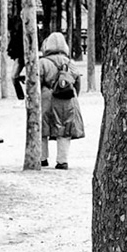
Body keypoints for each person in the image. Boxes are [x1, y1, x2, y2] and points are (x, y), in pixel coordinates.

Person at [36, 32, 84, 169]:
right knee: (65, 130)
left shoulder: (42, 63)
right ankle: (62, 161)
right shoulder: (70, 63)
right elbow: (77, 83)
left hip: (46, 100)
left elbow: (36, 83)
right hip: (67, 99)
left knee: (43, 129)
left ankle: (42, 158)